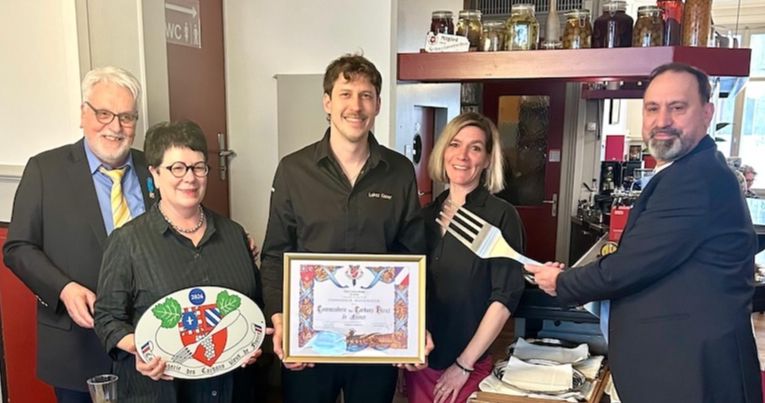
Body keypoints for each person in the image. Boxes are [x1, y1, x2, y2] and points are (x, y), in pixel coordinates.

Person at [525, 63, 762, 403]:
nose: (662, 120)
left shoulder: (695, 178)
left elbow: (629, 267)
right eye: (652, 108)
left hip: (693, 376)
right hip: (682, 367)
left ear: (707, 113)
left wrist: (561, 282)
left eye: (677, 107)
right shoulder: (690, 170)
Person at [260, 53, 428, 403]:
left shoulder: (399, 171)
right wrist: (280, 318)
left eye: (366, 95)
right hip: (310, 340)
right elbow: (275, 253)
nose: (356, 106)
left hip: (377, 340)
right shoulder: (293, 170)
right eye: (345, 94)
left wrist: (412, 325)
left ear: (378, 104)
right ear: (327, 102)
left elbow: (412, 254)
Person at [3, 66, 150, 402]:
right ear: (83, 113)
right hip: (78, 346)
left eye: (126, 117)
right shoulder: (45, 170)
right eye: (104, 113)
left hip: (150, 344)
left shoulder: (153, 167)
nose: (115, 127)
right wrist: (63, 289)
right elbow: (18, 247)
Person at [94, 121, 268, 402]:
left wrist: (251, 342)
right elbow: (107, 318)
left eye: (198, 167)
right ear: (154, 173)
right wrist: (139, 348)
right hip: (160, 392)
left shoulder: (235, 235)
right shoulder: (127, 242)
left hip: (232, 390)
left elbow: (254, 306)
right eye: (177, 168)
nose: (190, 178)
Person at [405, 112, 525, 403]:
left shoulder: (501, 216)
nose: (463, 155)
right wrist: (405, 345)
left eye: (475, 148)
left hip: (468, 366)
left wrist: (463, 365)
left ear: (487, 160)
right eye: (455, 144)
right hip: (421, 363)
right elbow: (407, 290)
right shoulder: (423, 217)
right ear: (443, 151)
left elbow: (504, 298)